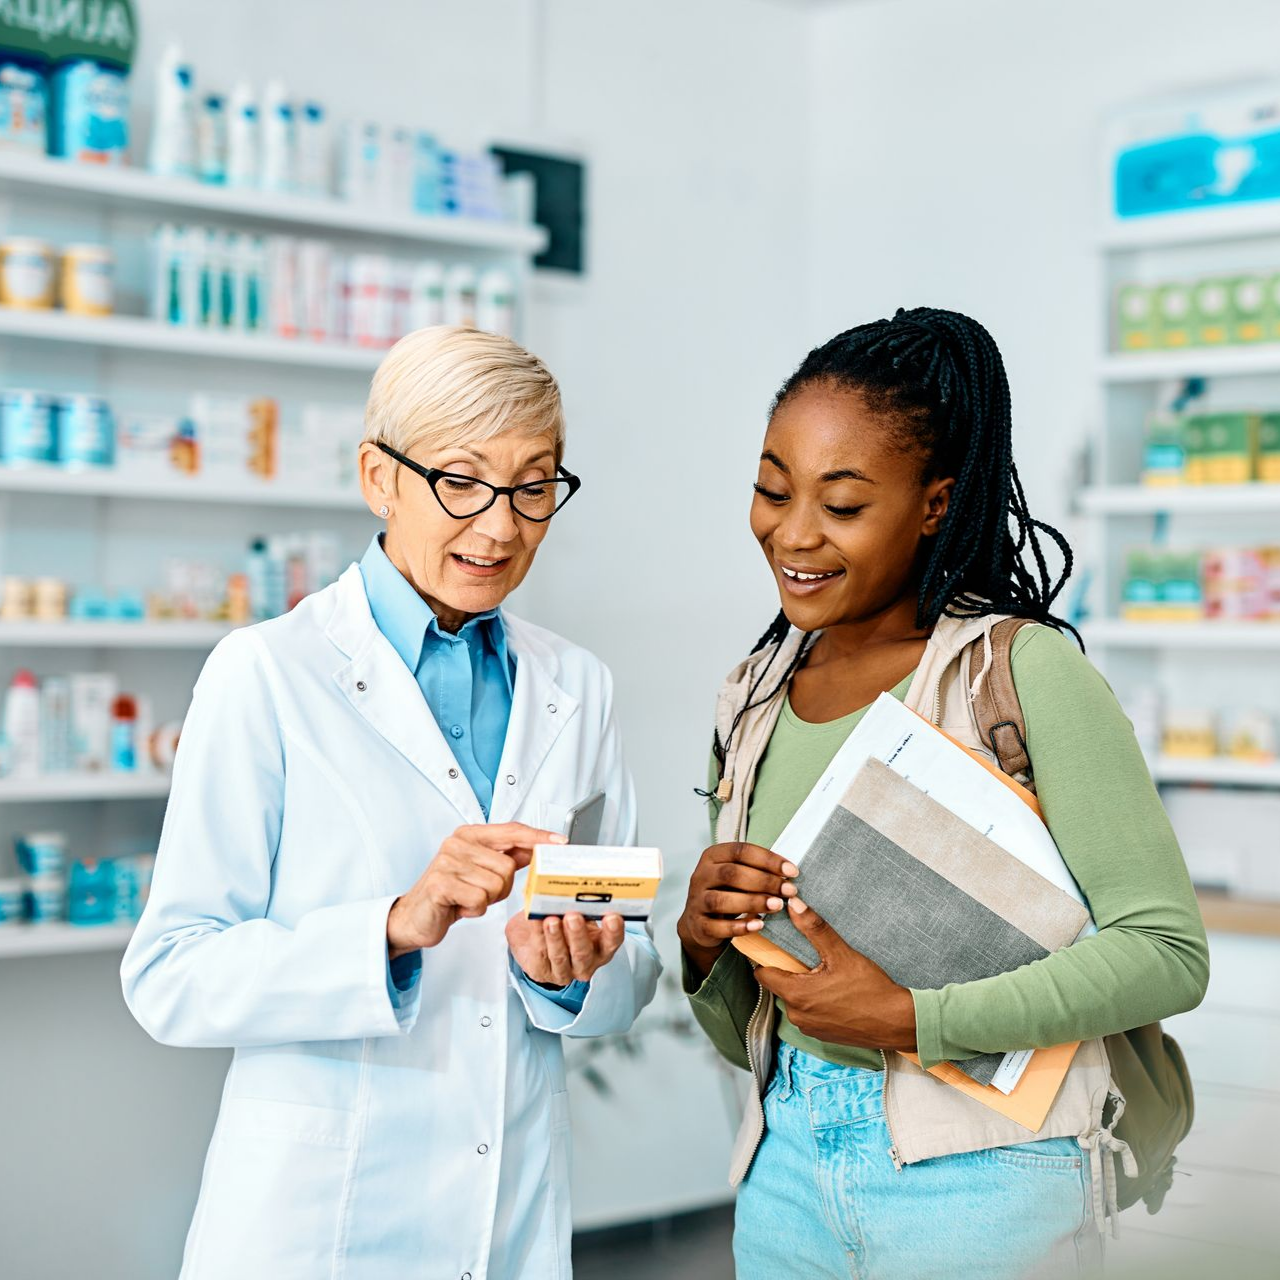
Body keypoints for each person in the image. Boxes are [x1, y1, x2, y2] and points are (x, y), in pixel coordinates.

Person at [677, 308, 1208, 1278]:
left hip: (987, 1168)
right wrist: (702, 939)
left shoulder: (1020, 674)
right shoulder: (749, 696)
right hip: (783, 1154)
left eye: (840, 506)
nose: (791, 533)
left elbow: (1165, 953)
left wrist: (912, 1019)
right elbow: (748, 1022)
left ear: (933, 504)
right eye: (770, 489)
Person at [122, 325, 661, 1279]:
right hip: (317, 1223)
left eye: (535, 487)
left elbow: (632, 959)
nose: (500, 527)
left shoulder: (579, 685)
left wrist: (570, 973)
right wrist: (395, 927)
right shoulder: (269, 674)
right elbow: (171, 973)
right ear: (380, 478)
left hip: (508, 1211)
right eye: (461, 481)